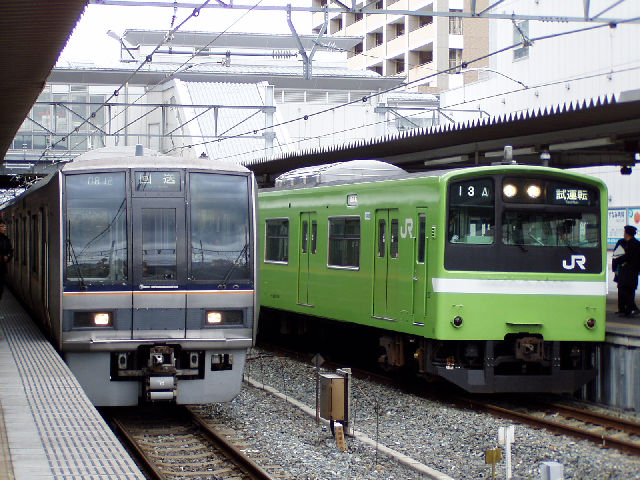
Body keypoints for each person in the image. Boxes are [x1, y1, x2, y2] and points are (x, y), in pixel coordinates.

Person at [612, 225, 640, 317]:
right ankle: (627, 310)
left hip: (628, 271)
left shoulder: (632, 244)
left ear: (627, 234)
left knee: (626, 290)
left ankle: (631, 310)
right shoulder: (635, 243)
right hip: (632, 272)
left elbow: (627, 256)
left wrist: (617, 260)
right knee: (628, 290)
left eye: (624, 232)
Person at [0, 220, 13, 300]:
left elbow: (10, 251)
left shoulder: (6, 239)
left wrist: (8, 257)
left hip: (2, 269)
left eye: (4, 226)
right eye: (2, 226)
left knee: (0, 290)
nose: (4, 228)